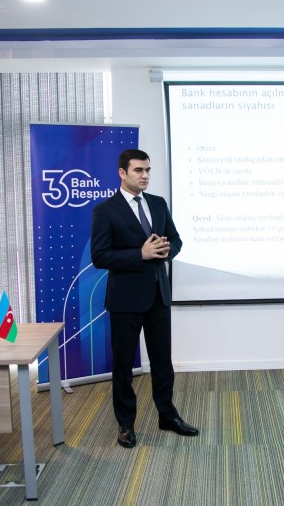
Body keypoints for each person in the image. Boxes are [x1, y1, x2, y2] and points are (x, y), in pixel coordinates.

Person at [90, 148, 199, 448]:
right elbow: (100, 256)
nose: (145, 175)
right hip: (125, 301)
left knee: (163, 362)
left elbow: (176, 239)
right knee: (123, 366)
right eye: (138, 170)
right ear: (122, 173)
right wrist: (140, 254)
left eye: (148, 170)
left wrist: (166, 250)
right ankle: (126, 423)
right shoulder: (105, 210)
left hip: (158, 296)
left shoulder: (158, 203)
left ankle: (167, 415)